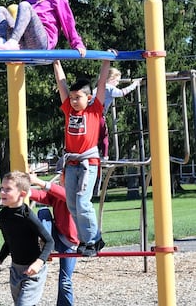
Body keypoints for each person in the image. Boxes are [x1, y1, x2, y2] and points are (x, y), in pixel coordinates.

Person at [53, 56, 112, 257]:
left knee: (82, 203)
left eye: (78, 97)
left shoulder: (95, 110)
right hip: (71, 163)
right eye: (72, 98)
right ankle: (87, 239)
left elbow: (101, 84)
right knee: (71, 204)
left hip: (89, 163)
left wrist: (106, 61)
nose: (73, 101)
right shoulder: (69, 110)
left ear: (88, 98)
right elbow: (62, 85)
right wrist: (56, 63)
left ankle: (94, 240)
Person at [0, 171, 54, 306]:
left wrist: (39, 263)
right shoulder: (2, 217)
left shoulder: (27, 216)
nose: (2, 192)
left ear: (22, 194)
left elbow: (49, 241)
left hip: (33, 272)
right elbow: (9, 242)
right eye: (2, 188)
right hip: (16, 270)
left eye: (8, 189)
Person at [29, 173, 78, 306]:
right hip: (56, 236)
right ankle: (46, 245)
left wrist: (38, 181)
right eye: (64, 175)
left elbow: (64, 195)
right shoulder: (57, 191)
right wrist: (26, 191)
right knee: (43, 212)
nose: (65, 179)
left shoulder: (76, 193)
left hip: (70, 242)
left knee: (65, 281)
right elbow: (43, 196)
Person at [98, 68, 141, 159]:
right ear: (111, 79)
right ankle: (105, 156)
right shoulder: (109, 88)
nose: (117, 83)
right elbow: (122, 92)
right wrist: (134, 85)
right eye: (117, 81)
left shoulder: (99, 86)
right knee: (104, 135)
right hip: (98, 115)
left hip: (91, 114)